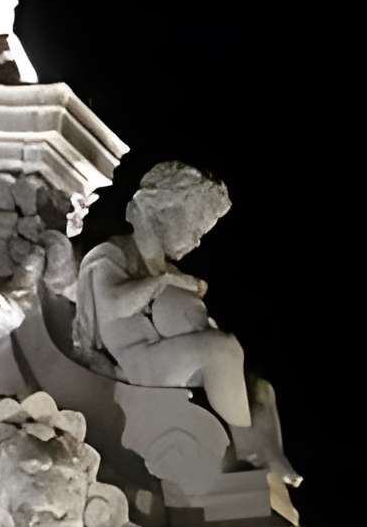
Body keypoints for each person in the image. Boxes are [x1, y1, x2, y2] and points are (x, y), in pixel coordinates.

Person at [73, 162, 298, 481]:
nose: (197, 241)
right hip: (137, 362)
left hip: (167, 357)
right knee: (221, 351)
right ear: (164, 212)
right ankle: (250, 453)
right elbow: (113, 305)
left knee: (261, 388)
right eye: (194, 228)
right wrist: (162, 282)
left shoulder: (169, 272)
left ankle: (271, 457)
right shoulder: (113, 253)